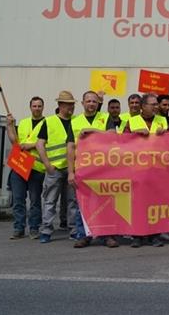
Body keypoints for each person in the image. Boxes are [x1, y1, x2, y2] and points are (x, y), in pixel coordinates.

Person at [68, 91, 118, 248]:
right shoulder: (74, 121)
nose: (91, 104)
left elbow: (112, 135)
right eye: (88, 101)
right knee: (82, 204)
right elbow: (70, 147)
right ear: (82, 103)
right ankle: (84, 235)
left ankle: (106, 236)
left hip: (103, 168)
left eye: (94, 101)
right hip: (83, 168)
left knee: (106, 202)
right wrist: (71, 172)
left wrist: (93, 130)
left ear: (98, 103)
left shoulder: (105, 118)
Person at [35, 91, 79, 243]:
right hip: (55, 169)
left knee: (73, 201)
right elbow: (39, 143)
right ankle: (46, 230)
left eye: (73, 105)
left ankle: (73, 229)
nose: (71, 108)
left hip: (72, 168)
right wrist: (47, 164)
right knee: (50, 200)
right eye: (68, 105)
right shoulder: (49, 121)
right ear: (60, 105)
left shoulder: (76, 121)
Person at [125, 93, 167, 247]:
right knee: (137, 204)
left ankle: (155, 235)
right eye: (153, 104)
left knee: (155, 204)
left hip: (157, 170)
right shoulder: (132, 121)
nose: (156, 107)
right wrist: (134, 135)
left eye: (157, 104)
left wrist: (166, 135)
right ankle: (137, 235)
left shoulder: (162, 121)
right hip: (138, 170)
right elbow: (122, 143)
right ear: (143, 107)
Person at [6, 98, 46, 240]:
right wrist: (9, 126)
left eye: (39, 106)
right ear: (30, 107)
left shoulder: (47, 123)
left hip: (36, 166)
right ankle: (19, 228)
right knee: (18, 199)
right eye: (34, 106)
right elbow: (15, 142)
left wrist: (32, 145)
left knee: (35, 200)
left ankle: (34, 228)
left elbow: (48, 141)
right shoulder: (23, 123)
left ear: (43, 107)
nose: (37, 108)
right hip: (20, 164)